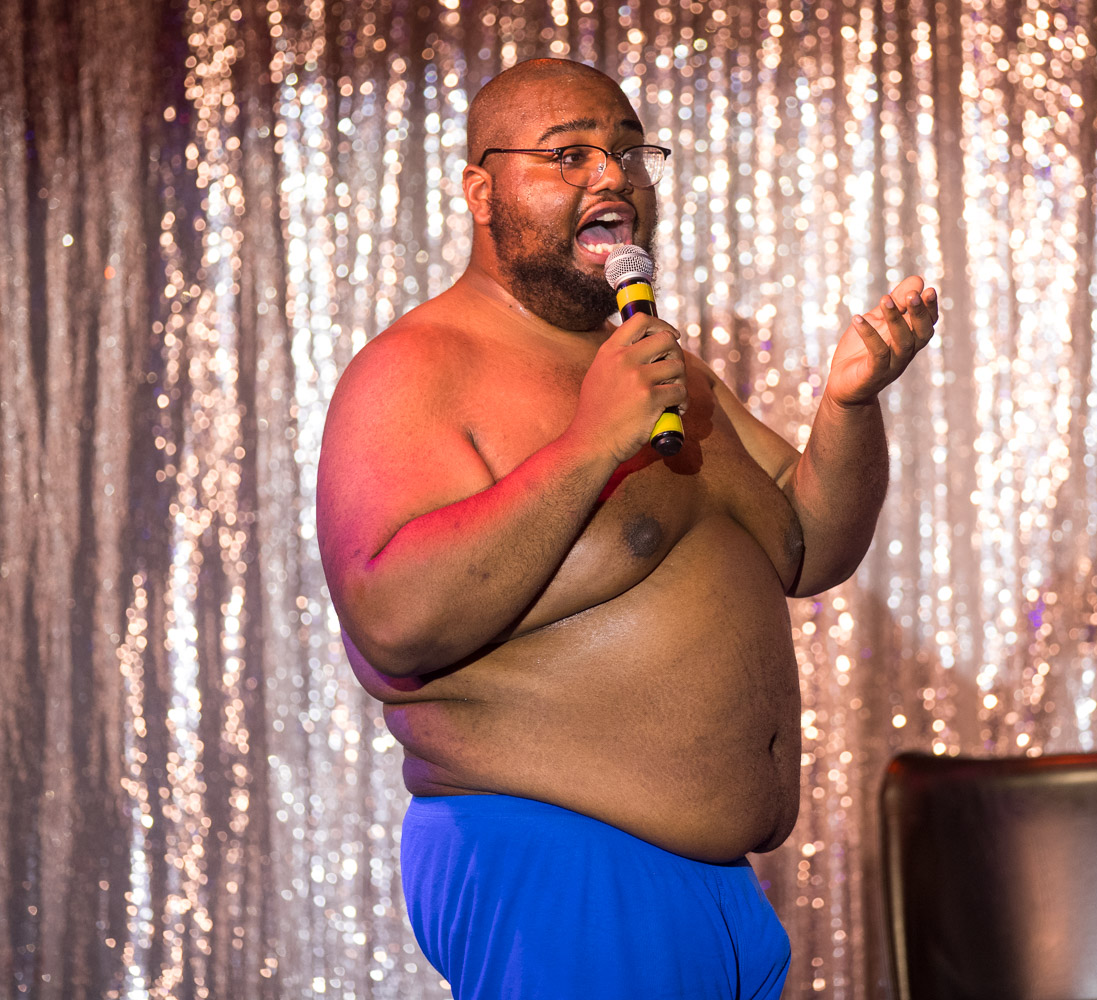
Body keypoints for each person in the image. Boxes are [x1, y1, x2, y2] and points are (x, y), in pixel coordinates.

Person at [315, 57, 938, 999]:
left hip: (721, 894)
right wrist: (591, 442)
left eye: (628, 152)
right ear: (482, 191)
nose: (612, 176)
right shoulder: (418, 366)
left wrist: (848, 407)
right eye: (569, 155)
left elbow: (810, 547)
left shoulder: (660, 365)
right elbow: (391, 619)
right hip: (562, 870)